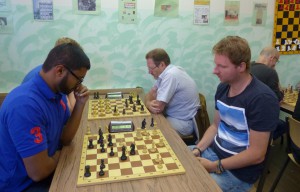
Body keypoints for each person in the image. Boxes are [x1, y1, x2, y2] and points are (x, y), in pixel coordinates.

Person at [190, 36, 279, 191]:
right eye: (215, 64)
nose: (214, 70)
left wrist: (214, 166)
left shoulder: (262, 99)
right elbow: (215, 126)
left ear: (241, 67)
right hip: (212, 154)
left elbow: (257, 154)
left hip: (237, 173)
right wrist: (198, 149)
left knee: (190, 186)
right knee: (173, 158)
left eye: (221, 66)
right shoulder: (223, 87)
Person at [0, 43, 91, 191]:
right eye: (79, 79)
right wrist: (61, 155)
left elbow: (65, 138)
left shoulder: (58, 93)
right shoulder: (25, 105)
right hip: (24, 185)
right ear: (60, 70)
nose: (79, 85)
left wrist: (80, 104)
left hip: (48, 171)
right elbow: (39, 172)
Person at [144, 48, 200, 136]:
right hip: (173, 117)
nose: (149, 72)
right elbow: (150, 94)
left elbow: (157, 108)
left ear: (162, 64)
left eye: (151, 68)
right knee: (148, 125)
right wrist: (148, 102)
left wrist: (148, 103)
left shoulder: (171, 75)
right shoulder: (165, 74)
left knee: (151, 132)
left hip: (182, 122)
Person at [22, 37, 83, 113]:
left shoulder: (57, 75)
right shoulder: (46, 79)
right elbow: (70, 111)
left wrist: (73, 86)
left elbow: (69, 112)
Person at [251, 46, 286, 140]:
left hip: (246, 117)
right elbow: (278, 98)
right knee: (285, 125)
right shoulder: (270, 72)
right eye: (276, 61)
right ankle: (266, 141)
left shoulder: (247, 67)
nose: (275, 64)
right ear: (272, 58)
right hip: (261, 118)